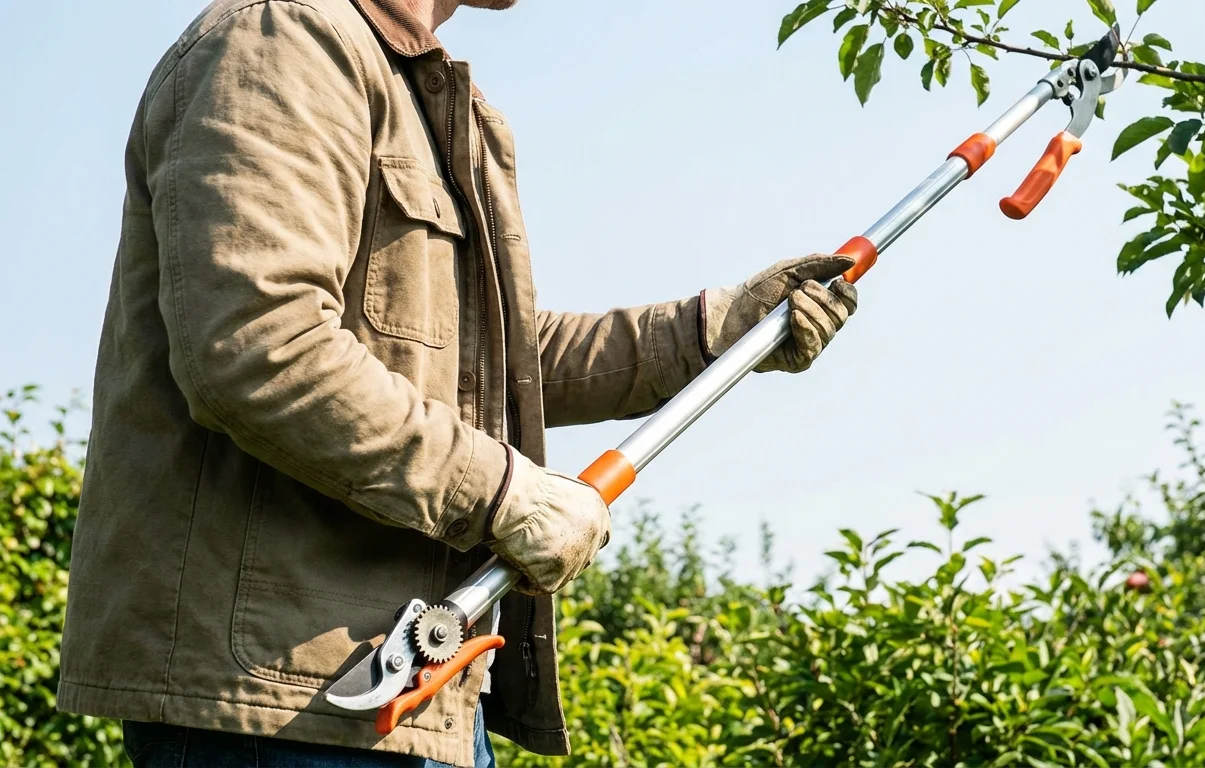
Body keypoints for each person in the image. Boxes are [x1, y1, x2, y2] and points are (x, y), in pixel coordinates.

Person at [56, 0, 858, 765]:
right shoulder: (283, 43)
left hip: (410, 693)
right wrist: (507, 495)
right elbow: (262, 347)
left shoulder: (424, 93)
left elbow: (491, 366)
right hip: (281, 710)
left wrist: (712, 333)